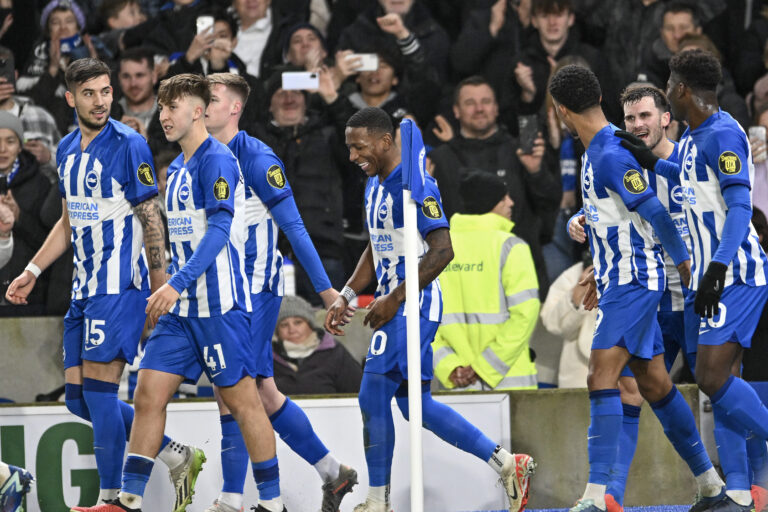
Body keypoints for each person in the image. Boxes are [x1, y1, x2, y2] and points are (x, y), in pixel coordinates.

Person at [72, 73, 284, 512]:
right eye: (162, 107)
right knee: (147, 393)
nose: (163, 116)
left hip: (220, 307)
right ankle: (127, 501)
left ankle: (273, 502)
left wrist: (172, 283)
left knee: (244, 402)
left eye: (172, 107)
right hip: (181, 311)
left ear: (199, 110)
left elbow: (222, 230)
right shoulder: (182, 167)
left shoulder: (217, 160)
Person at [4, 59, 201, 510]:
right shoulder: (67, 147)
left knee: (101, 395)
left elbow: (150, 214)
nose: (101, 101)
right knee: (78, 401)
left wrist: (159, 282)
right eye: (89, 93)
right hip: (82, 289)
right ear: (70, 98)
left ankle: (112, 499)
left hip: (118, 290)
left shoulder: (130, 144)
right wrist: (32, 271)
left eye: (106, 91)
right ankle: (176, 454)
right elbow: (69, 221)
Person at [324, 106, 535, 512]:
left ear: (386, 141)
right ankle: (508, 463)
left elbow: (443, 251)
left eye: (359, 147)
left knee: (374, 398)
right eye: (349, 148)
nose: (353, 156)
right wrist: (347, 294)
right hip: (393, 303)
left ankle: (377, 501)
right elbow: (377, 245)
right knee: (410, 405)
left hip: (413, 304)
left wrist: (395, 298)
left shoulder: (418, 185)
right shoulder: (373, 184)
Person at [548, 64, 725, 512]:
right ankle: (710, 484)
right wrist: (598, 272)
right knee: (655, 384)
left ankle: (594, 497)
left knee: (600, 374)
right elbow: (616, 224)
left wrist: (686, 269)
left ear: (561, 110)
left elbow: (658, 217)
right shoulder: (598, 151)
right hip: (618, 280)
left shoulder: (608, 154)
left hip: (635, 282)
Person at [617, 48, 768, 512]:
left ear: (681, 91)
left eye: (667, 85)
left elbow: (741, 207)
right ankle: (739, 490)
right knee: (715, 377)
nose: (665, 91)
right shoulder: (694, 139)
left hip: (736, 274)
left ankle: (745, 480)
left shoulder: (722, 133)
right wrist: (645, 157)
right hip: (713, 278)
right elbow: (681, 177)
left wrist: (718, 269)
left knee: (712, 374)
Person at [202, 72, 358, 512]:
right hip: (219, 293)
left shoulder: (256, 156)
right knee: (259, 391)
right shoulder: (199, 155)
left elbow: (294, 226)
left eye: (211, 99)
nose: (203, 105)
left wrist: (326, 290)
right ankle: (333, 472)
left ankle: (239, 499)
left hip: (254, 291)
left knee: (233, 388)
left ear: (235, 108)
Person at [429, 76, 560, 296]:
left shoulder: (523, 152)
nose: (479, 108)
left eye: (486, 101)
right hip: (464, 279)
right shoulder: (439, 160)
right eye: (470, 103)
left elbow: (550, 205)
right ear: (456, 111)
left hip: (520, 274)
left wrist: (536, 172)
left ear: (497, 108)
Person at [432, 171, 539, 391]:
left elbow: (425, 321)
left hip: (456, 385)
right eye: (503, 198)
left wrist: (449, 367)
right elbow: (525, 315)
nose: (510, 203)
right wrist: (484, 368)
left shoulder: (437, 249)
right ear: (490, 203)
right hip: (510, 382)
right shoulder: (512, 247)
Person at [253, 71, 348, 304]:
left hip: (323, 248)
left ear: (306, 101)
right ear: (268, 105)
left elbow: (358, 149)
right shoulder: (255, 140)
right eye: (281, 93)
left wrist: (333, 99)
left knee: (330, 325)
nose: (289, 98)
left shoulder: (327, 135)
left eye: (296, 92)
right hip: (269, 253)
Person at [0, 111, 61, 316]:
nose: (2, 149)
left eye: (10, 141)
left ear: (20, 145)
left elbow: (49, 243)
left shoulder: (40, 183)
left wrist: (19, 217)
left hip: (28, 296)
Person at [273, 295, 363, 394]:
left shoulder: (335, 353)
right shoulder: (266, 358)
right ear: (277, 331)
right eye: (284, 325)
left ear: (310, 325)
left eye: (298, 322)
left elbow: (360, 392)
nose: (292, 330)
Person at [0, 46, 61, 166]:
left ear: (15, 75)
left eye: (4, 73)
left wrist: (49, 157)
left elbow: (70, 164)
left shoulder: (40, 117)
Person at [116, 47, 158, 137]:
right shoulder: (107, 116)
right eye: (126, 76)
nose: (133, 84)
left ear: (154, 76)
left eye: (139, 75)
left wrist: (146, 143)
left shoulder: (174, 115)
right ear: (119, 78)